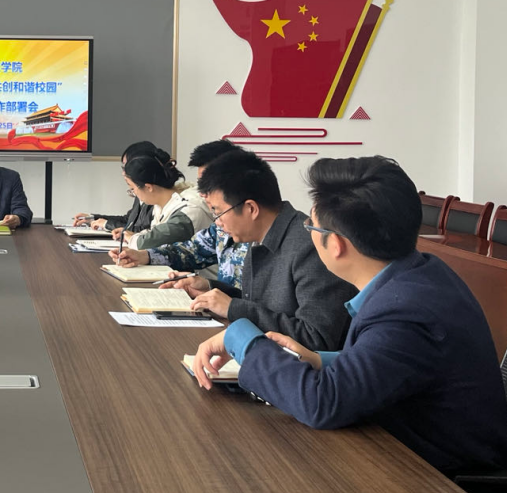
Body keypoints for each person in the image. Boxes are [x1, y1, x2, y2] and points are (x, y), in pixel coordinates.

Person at [190, 156, 507, 493]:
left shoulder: (404, 311)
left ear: (335, 245)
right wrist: (322, 361)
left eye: (312, 227)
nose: (307, 234)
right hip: (411, 466)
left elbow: (323, 402)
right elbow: (390, 362)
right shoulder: (420, 273)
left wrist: (240, 335)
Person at [119, 148, 353, 348]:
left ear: (251, 209)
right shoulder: (257, 234)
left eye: (218, 211)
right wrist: (211, 288)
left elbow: (317, 338)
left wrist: (233, 308)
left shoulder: (309, 247)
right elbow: (262, 305)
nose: (217, 222)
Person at [111, 140, 245, 300]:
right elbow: (192, 250)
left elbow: (257, 302)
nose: (202, 193)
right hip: (214, 303)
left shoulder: (263, 238)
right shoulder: (221, 226)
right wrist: (145, 256)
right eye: (201, 184)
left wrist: (226, 301)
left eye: (208, 185)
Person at [118, 154, 213, 250]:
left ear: (148, 187)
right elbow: (156, 234)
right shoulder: (162, 206)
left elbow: (146, 243)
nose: (133, 193)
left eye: (132, 189)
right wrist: (134, 235)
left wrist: (132, 238)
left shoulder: (188, 210)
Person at [71, 141, 164, 232]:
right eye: (123, 168)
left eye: (127, 167)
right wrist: (93, 219)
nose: (124, 173)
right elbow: (128, 220)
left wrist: (106, 224)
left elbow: (146, 232)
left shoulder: (153, 194)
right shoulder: (139, 189)